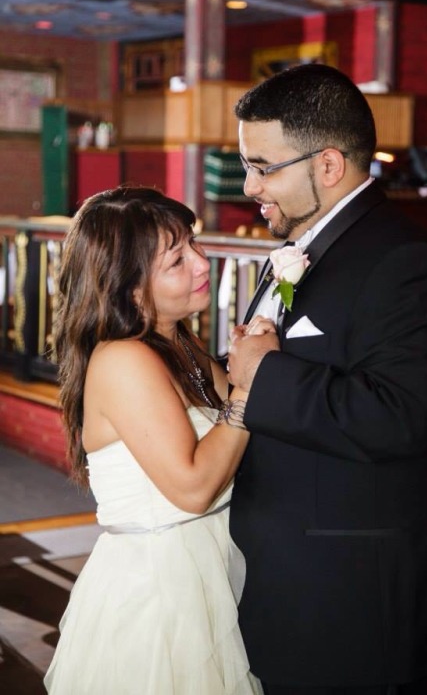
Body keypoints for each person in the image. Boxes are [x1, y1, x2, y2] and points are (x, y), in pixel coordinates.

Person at [227, 64, 427, 695]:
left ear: (328, 165)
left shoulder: (403, 262)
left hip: (357, 606)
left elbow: (400, 417)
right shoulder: (303, 245)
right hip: (290, 588)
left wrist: (267, 374)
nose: (249, 185)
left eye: (263, 166)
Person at [44, 185, 264, 695]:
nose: (201, 262)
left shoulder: (178, 343)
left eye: (194, 242)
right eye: (176, 259)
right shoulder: (123, 359)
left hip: (207, 563)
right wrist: (250, 385)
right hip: (163, 591)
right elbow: (192, 487)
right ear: (131, 287)